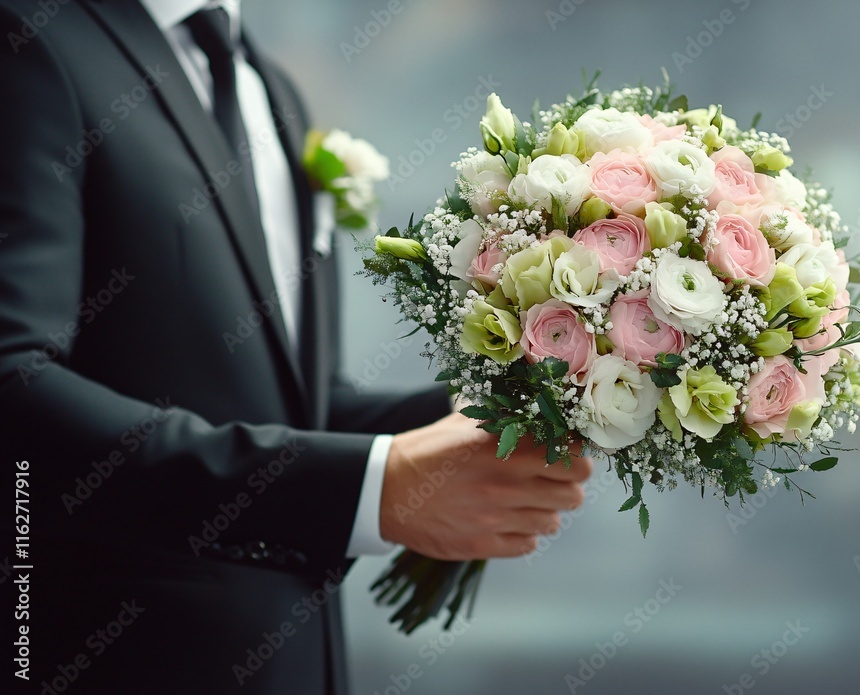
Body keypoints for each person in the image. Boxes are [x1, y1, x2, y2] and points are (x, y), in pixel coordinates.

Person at [0, 1, 591, 693]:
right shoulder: (30, 41)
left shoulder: (272, 89)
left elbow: (286, 406)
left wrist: (525, 394)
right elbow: (16, 393)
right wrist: (369, 491)